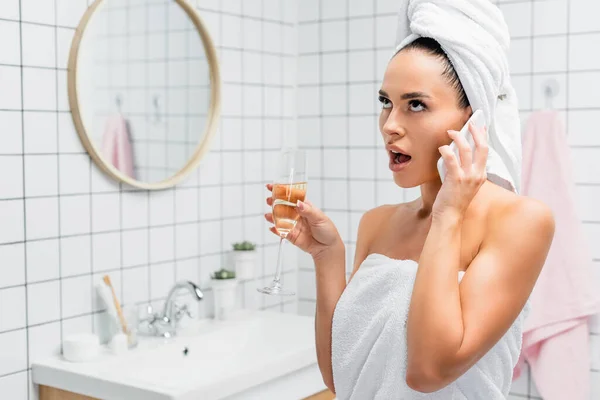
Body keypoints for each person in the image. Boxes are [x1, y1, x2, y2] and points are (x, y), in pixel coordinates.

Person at [265, 3, 555, 399]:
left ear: (473, 119)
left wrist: (448, 213)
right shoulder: (377, 223)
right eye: (386, 102)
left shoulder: (521, 221)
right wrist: (326, 256)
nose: (390, 125)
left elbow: (428, 371)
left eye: (415, 105)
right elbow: (341, 376)